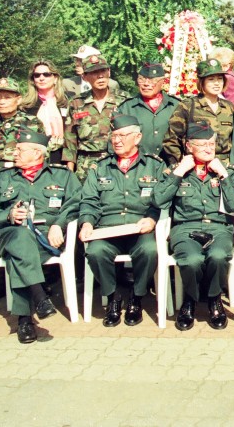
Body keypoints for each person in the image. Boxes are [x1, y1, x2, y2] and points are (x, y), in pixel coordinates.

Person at [0, 128, 81, 343]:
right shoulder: (4, 178)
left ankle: (24, 319)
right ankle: (40, 296)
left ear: (37, 153)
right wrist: (8, 214)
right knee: (21, 237)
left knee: (21, 257)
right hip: (8, 235)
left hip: (45, 238)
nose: (14, 154)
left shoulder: (62, 176)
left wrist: (58, 225)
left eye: (20, 150)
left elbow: (77, 203)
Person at [79, 115, 171, 327]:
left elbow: (164, 199)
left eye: (122, 135)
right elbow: (89, 200)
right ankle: (112, 298)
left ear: (137, 137)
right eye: (114, 136)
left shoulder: (154, 166)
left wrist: (152, 218)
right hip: (107, 229)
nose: (117, 140)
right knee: (95, 252)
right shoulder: (100, 167)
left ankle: (136, 298)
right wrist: (87, 222)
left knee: (149, 251)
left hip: (140, 228)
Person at [160, 122, 234, 331]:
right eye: (202, 145)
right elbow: (158, 200)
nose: (208, 149)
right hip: (185, 229)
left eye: (211, 144)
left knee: (217, 257)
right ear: (189, 146)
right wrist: (179, 172)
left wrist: (223, 175)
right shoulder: (175, 171)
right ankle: (189, 299)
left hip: (218, 228)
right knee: (191, 259)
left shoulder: (227, 171)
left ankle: (214, 298)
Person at [63, 54, 127, 182]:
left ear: (109, 72)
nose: (100, 76)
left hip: (115, 163)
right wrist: (69, 174)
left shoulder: (124, 100)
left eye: (103, 71)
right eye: (94, 72)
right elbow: (70, 141)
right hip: (85, 167)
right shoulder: (76, 103)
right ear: (85, 77)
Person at [163, 59, 234, 166]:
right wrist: (179, 164)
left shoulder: (229, 107)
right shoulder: (188, 106)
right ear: (201, 82)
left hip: (224, 166)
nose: (217, 83)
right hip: (196, 167)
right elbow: (171, 140)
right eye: (211, 79)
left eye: (220, 79)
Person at [0, 77, 40, 186]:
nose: (2, 102)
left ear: (18, 99)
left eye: (7, 98)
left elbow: (41, 154)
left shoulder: (32, 123)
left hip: (21, 176)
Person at [116, 62, 181, 159]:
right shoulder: (126, 108)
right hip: (138, 167)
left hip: (169, 166)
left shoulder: (176, 105)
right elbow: (116, 140)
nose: (146, 84)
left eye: (152, 80)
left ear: (162, 81)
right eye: (142, 80)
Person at [20, 59, 69, 164]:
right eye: (37, 75)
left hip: (63, 156)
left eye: (46, 74)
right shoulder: (25, 107)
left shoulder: (68, 102)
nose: (41, 78)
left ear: (55, 78)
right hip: (35, 159)